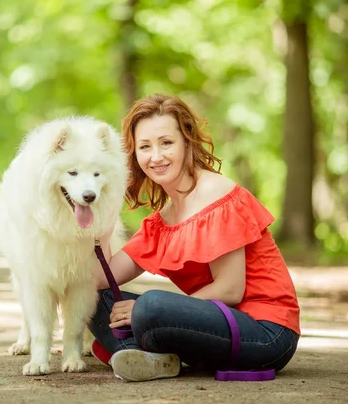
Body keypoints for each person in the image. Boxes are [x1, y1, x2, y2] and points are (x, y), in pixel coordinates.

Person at [89, 93, 300, 382]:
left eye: (166, 143)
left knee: (151, 306)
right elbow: (100, 278)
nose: (156, 156)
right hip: (211, 329)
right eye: (145, 147)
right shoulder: (162, 222)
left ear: (187, 142)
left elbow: (230, 290)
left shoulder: (216, 194)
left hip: (265, 333)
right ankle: (145, 359)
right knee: (90, 297)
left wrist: (143, 310)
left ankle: (137, 348)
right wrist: (104, 211)